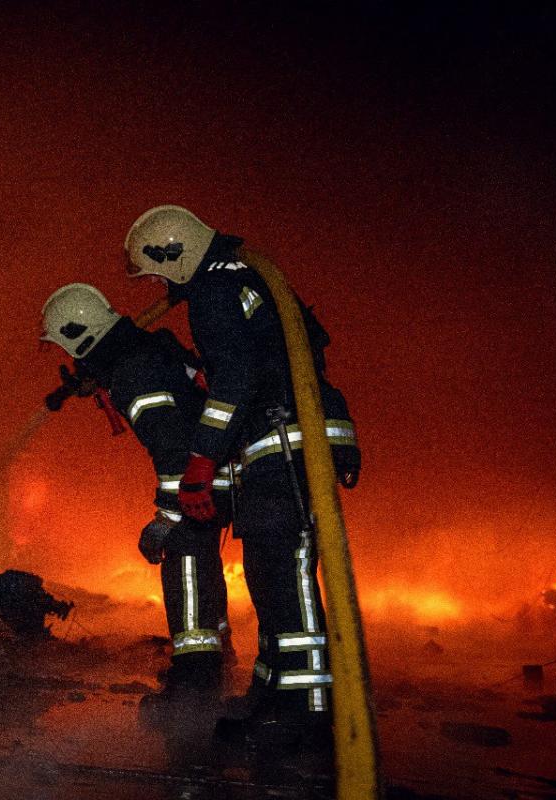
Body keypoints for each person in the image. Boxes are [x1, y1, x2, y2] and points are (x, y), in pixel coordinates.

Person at [124, 205, 361, 745]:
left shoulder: (212, 290)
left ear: (175, 253)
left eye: (157, 271)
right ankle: (273, 695)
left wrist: (203, 460)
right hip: (279, 442)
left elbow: (235, 379)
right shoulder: (241, 280)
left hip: (284, 441)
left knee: (285, 574)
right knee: (267, 573)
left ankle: (308, 711)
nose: (159, 283)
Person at [40, 283, 234, 707]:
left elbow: (173, 447)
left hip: (201, 479)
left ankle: (195, 685)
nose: (70, 359)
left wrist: (166, 518)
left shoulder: (133, 371)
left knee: (183, 562)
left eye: (68, 348)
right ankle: (217, 662)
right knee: (201, 566)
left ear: (81, 338)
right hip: (225, 470)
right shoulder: (142, 352)